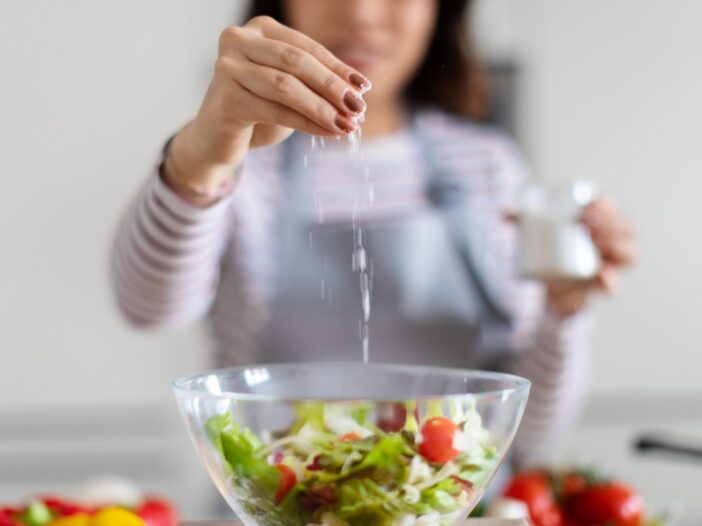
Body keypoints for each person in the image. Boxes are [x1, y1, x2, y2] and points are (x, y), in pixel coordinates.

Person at [111, 0, 636, 465]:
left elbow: (529, 438)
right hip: (274, 503)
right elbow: (148, 307)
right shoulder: (248, 162)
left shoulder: (487, 165)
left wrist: (565, 310)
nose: (361, 13)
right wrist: (204, 153)